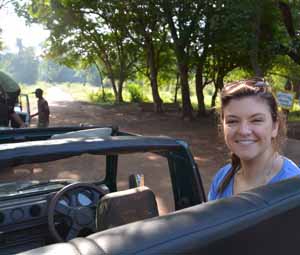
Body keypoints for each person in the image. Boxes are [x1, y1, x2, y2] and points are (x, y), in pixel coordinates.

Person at [208, 77, 300, 200]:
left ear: (274, 127)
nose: (243, 131)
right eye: (233, 121)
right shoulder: (221, 179)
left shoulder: (294, 188)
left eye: (256, 120)